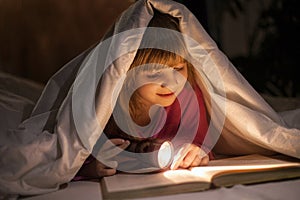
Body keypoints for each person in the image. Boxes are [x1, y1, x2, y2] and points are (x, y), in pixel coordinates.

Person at [74, 11, 213, 180]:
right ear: (126, 75)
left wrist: (196, 151)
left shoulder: (187, 95)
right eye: (154, 74)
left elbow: (199, 142)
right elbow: (69, 155)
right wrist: (90, 168)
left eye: (178, 69)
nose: (171, 82)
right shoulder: (104, 103)